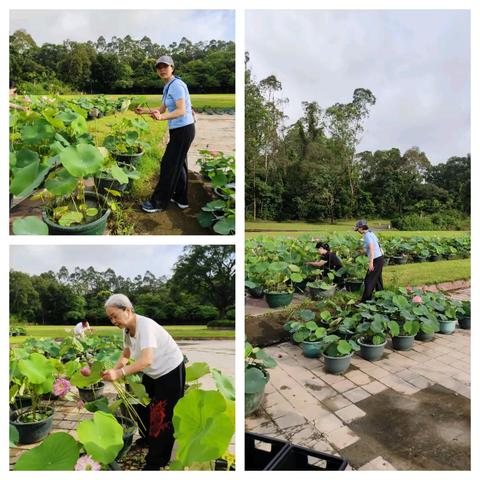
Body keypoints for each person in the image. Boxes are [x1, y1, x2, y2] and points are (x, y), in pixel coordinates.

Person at [102, 293, 185, 471]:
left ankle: (155, 463)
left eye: (115, 316)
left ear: (128, 310)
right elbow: (126, 354)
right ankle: (148, 440)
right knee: (143, 408)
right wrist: (114, 371)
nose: (113, 321)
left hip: (169, 371)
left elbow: (146, 360)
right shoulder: (127, 330)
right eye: (110, 318)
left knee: (162, 420)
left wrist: (120, 373)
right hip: (152, 373)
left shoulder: (145, 326)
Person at [135, 55, 196, 213]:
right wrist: (146, 111)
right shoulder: (168, 86)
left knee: (168, 165)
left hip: (184, 130)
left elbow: (181, 110)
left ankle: (158, 203)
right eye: (159, 67)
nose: (162, 69)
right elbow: (162, 109)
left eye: (165, 66)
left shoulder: (177, 85)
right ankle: (181, 199)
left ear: (172, 68)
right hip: (180, 130)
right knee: (180, 165)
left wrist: (161, 117)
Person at [354, 219, 384, 302]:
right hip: (380, 258)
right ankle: (381, 298)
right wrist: (362, 251)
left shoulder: (366, 235)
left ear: (361, 228)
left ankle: (365, 301)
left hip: (375, 260)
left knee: (369, 280)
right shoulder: (371, 232)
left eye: (358, 229)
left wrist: (371, 262)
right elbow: (377, 243)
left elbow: (371, 248)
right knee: (377, 280)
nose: (357, 231)